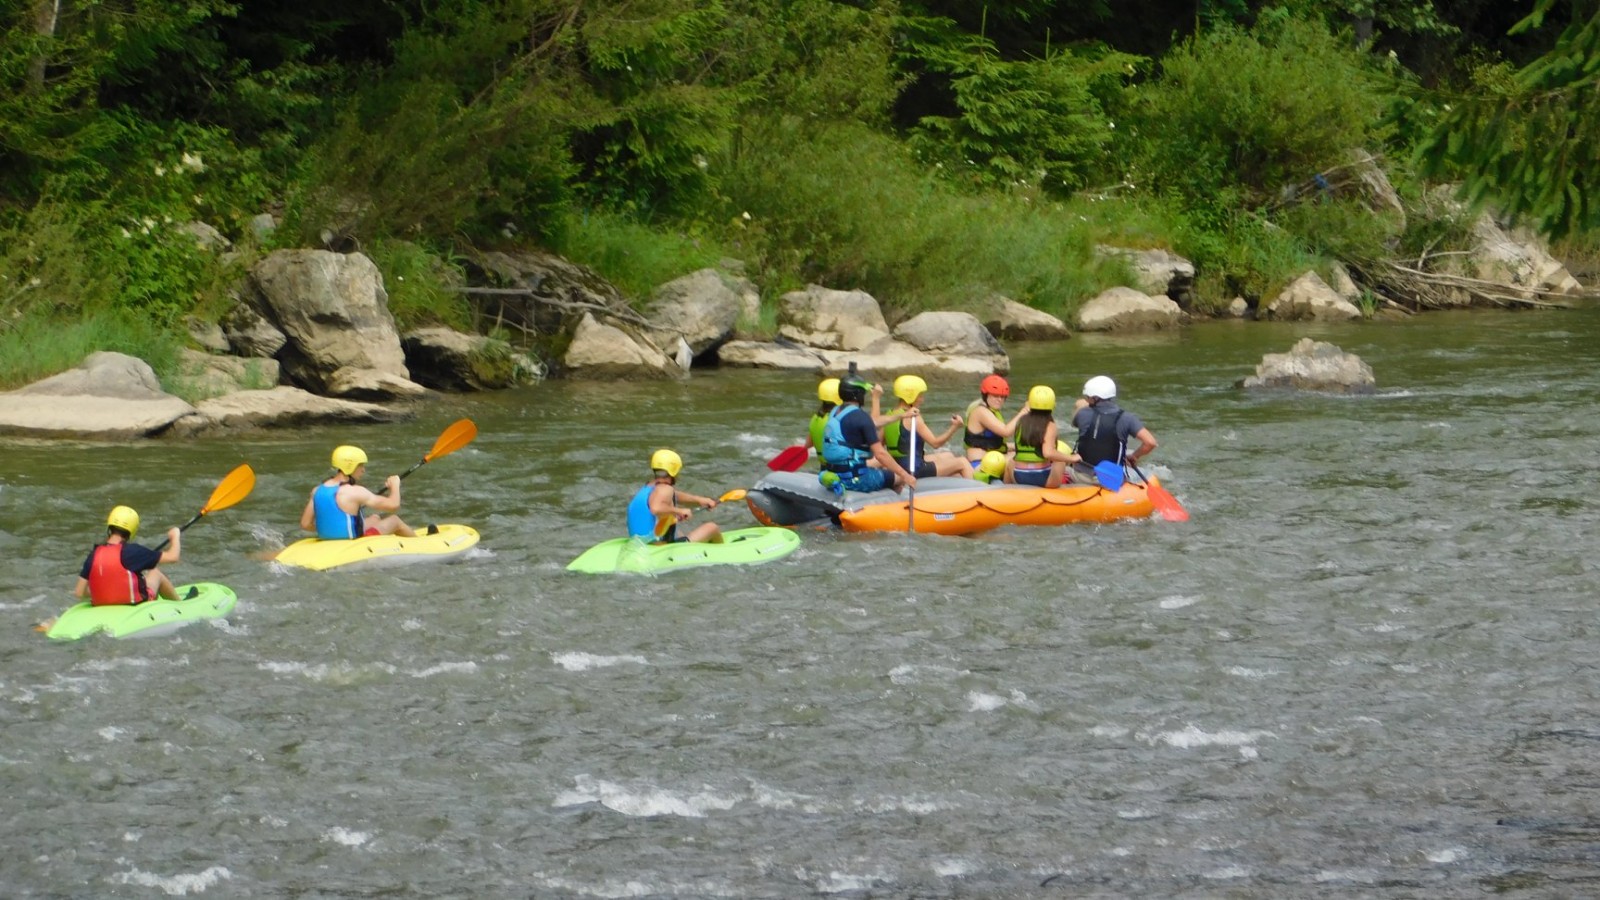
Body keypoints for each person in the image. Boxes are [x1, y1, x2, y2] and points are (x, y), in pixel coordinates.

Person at [819, 377, 918, 494]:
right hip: (856, 480)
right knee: (899, 477)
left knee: (881, 468)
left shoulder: (836, 412)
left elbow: (873, 422)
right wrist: (906, 476)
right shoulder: (861, 417)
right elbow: (880, 454)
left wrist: (902, 415)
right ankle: (890, 502)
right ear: (858, 395)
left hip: (833, 475)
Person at [300, 445, 416, 540]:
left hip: (327, 539)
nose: (363, 470)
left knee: (375, 518)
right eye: (360, 465)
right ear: (350, 466)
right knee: (395, 520)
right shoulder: (355, 491)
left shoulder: (317, 490)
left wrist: (332, 528)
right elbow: (393, 505)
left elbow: (305, 524)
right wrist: (395, 486)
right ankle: (419, 544)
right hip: (353, 541)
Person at [76, 506, 180, 605]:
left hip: (101, 605)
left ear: (109, 527)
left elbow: (79, 592)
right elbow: (173, 557)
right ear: (132, 530)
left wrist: (108, 593)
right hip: (134, 604)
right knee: (155, 573)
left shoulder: (94, 554)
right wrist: (175, 536)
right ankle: (180, 604)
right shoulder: (134, 551)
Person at [881, 375, 972, 479]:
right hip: (914, 469)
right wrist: (954, 427)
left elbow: (879, 444)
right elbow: (935, 443)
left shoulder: (889, 415)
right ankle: (979, 489)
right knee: (962, 462)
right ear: (911, 396)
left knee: (948, 455)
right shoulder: (914, 417)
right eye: (920, 396)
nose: (922, 399)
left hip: (896, 466)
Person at [1071, 376, 1159, 483]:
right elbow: (1150, 442)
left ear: (1095, 398)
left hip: (1080, 476)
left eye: (1088, 396)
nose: (1086, 399)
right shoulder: (1127, 418)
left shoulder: (1082, 413)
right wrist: (1134, 456)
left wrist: (1080, 406)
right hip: (1110, 480)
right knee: (1146, 474)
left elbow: (1075, 420)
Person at [627, 449, 722, 543]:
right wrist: (680, 511)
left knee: (677, 531)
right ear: (674, 472)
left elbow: (674, 495)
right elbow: (655, 508)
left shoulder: (649, 487)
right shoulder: (666, 489)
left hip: (639, 543)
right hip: (658, 547)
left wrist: (700, 500)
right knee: (712, 527)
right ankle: (722, 550)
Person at [1006, 386, 1079, 488]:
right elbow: (1048, 453)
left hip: (1019, 476)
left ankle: (1005, 487)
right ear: (1052, 404)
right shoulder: (1050, 425)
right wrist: (1072, 458)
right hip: (1041, 479)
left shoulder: (1020, 421)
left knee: (1011, 461)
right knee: (1060, 462)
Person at [964, 374, 1027, 467]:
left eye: (1002, 397)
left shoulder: (992, 411)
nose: (999, 400)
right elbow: (1005, 432)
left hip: (990, 459)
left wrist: (1016, 446)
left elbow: (992, 443)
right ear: (986, 395)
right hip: (979, 463)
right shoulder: (980, 411)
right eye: (995, 396)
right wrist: (1024, 411)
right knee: (1024, 458)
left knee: (1023, 452)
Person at [802, 378, 842, 462]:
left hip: (824, 467)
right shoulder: (839, 419)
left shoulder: (815, 418)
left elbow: (808, 444)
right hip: (841, 467)